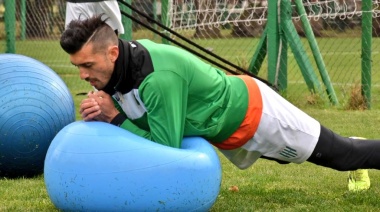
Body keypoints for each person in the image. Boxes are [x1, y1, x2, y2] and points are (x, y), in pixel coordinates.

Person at [60, 15, 380, 180]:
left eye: (87, 65)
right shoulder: (121, 63)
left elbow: (164, 150)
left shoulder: (157, 79)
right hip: (224, 129)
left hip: (258, 116)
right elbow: (139, 108)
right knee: (295, 158)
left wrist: (113, 117)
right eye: (78, 67)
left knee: (342, 157)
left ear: (113, 52)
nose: (84, 75)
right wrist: (107, 104)